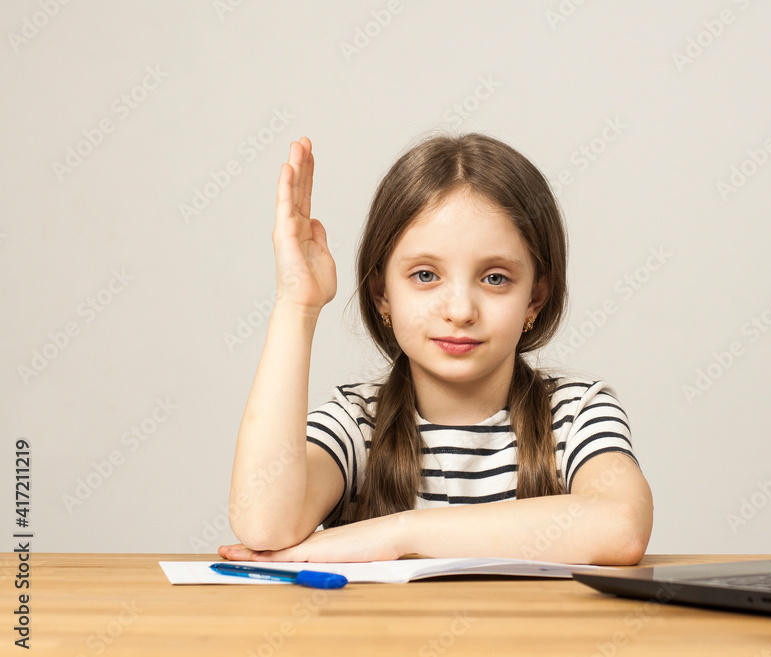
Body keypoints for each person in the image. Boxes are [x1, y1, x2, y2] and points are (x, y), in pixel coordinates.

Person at [218, 133, 653, 565]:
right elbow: (264, 526)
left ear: (534, 299)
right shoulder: (357, 423)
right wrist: (297, 305)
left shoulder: (576, 413)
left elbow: (620, 527)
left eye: (495, 278)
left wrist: (397, 535)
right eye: (425, 276)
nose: (461, 310)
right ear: (381, 293)